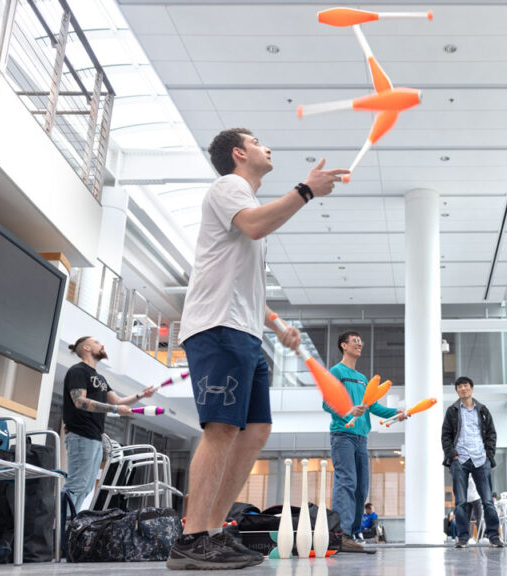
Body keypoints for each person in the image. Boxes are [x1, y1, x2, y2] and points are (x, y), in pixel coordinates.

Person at [169, 128, 348, 570]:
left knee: (255, 431)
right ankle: (192, 538)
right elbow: (254, 225)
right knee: (222, 428)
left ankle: (212, 531)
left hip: (244, 331)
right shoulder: (230, 187)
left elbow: (240, 277)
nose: (267, 147)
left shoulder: (243, 199)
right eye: (258, 143)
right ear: (238, 153)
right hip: (218, 329)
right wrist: (306, 190)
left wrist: (274, 322)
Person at [325, 331, 406, 551]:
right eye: (355, 341)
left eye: (361, 341)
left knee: (361, 488)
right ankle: (339, 535)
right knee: (347, 482)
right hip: (343, 435)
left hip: (361, 438)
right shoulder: (336, 372)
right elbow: (327, 403)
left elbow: (374, 407)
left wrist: (395, 413)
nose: (360, 344)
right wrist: (348, 410)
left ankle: (350, 534)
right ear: (343, 345)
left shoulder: (362, 378)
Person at [62, 336, 155, 509]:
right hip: (81, 436)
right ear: (87, 348)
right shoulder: (78, 371)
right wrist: (113, 410)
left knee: (87, 487)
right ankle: (59, 530)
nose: (102, 344)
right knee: (76, 486)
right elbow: (80, 401)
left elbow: (118, 401)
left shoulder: (101, 378)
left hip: (94, 438)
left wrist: (141, 395)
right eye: (97, 342)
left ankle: (69, 528)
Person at [441, 376, 503, 548]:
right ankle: (462, 537)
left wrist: (488, 455)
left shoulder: (482, 410)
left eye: (465, 386)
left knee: (487, 501)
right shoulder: (452, 411)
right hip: (459, 459)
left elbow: (491, 433)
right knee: (460, 502)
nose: (462, 389)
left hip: (480, 459)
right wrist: (452, 455)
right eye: (459, 387)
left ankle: (494, 537)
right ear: (457, 391)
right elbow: (445, 435)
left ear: (471, 388)